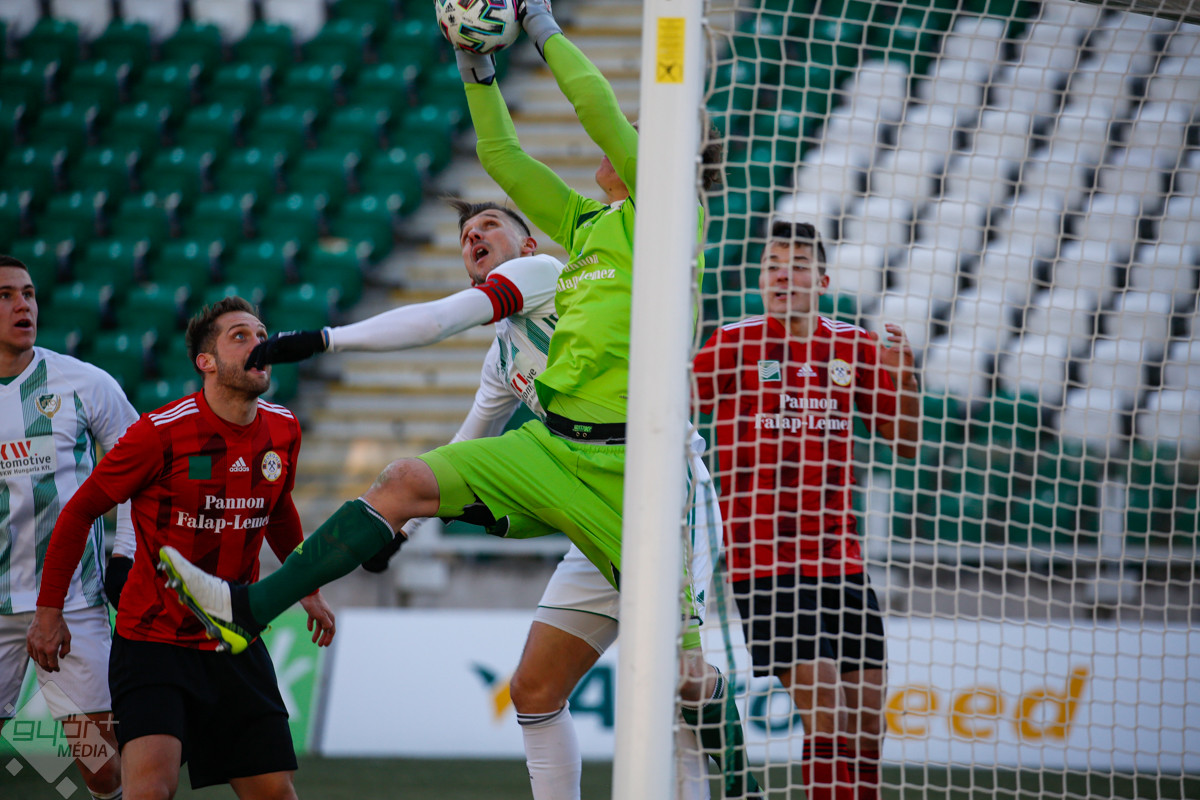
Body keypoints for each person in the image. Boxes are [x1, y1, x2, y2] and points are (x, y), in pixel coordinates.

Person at [157, 4, 760, 797]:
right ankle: (247, 611)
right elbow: (501, 154)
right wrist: (475, 66)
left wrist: (540, 24)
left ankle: (744, 788)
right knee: (413, 490)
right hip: (555, 450)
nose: (623, 142)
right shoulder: (584, 229)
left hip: (641, 479)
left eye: (644, 137)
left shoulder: (667, 216)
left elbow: (597, 111)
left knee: (685, 679)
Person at [232, 197, 726, 799]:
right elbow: (468, 444)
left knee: (682, 686)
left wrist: (324, 338)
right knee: (534, 691)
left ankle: (741, 771)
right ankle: (252, 608)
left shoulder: (547, 275)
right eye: (466, 234)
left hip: (668, 502)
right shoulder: (503, 359)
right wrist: (403, 530)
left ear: (527, 246)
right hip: (593, 514)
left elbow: (438, 320)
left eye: (490, 225)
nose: (474, 237)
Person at [26, 296, 336, 800]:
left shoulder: (284, 428)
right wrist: (49, 609)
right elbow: (79, 512)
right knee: (148, 789)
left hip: (235, 636)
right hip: (155, 641)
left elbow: (279, 511)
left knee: (275, 792)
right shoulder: (159, 433)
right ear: (205, 361)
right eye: (240, 336)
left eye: (262, 335)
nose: (259, 344)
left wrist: (309, 588)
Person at [693, 220, 921, 800]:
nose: (782, 276)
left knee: (866, 727)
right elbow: (672, 411)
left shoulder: (852, 345)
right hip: (765, 561)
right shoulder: (732, 343)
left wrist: (906, 378)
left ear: (821, 281)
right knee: (825, 707)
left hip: (841, 560)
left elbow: (905, 440)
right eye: (772, 266)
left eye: (796, 266)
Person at [0, 255, 129, 800]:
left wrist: (124, 556)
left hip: (72, 604)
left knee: (101, 767)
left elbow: (142, 471)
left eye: (28, 293)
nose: (22, 305)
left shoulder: (84, 383)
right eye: (6, 295)